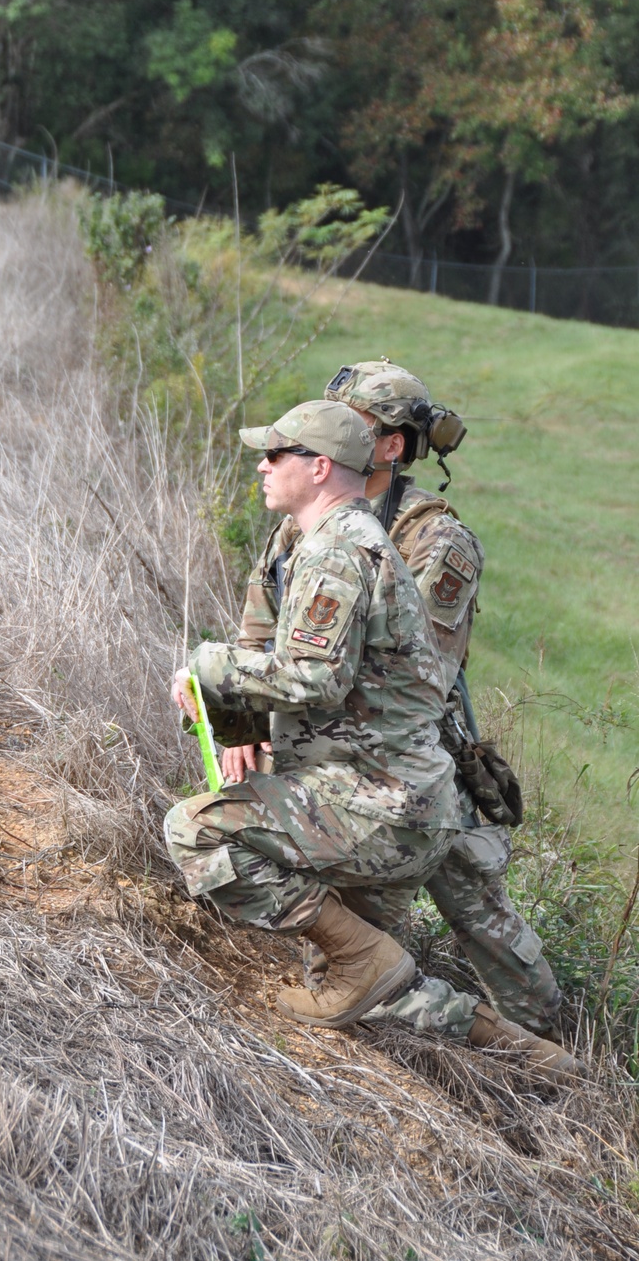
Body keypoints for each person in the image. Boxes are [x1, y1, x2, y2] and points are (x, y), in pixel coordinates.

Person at [165, 400, 464, 1029]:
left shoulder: (335, 553)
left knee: (195, 831)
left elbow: (317, 677)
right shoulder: (342, 541)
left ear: (321, 467)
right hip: (399, 801)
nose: (262, 466)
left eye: (276, 454)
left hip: (378, 805)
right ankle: (536, 1059)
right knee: (361, 995)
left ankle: (368, 960)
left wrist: (209, 670)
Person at [318, 360, 568, 1058]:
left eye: (353, 424)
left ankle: (550, 1066)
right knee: (354, 959)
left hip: (420, 771)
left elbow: (415, 678)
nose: (327, 435)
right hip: (350, 756)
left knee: (490, 934)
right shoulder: (324, 512)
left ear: (393, 446)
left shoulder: (436, 542)